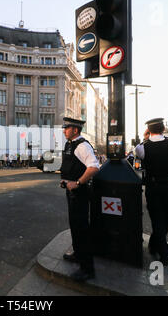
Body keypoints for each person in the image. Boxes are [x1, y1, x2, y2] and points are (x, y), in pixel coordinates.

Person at [135, 118, 168, 266]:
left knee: (157, 219)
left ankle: (154, 243)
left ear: (148, 131)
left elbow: (139, 155)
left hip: (154, 188)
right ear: (164, 128)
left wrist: (146, 138)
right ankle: (165, 253)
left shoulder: (141, 147)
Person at [60, 117, 100, 282]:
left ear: (75, 130)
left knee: (81, 229)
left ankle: (87, 269)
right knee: (75, 226)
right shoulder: (71, 144)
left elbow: (94, 167)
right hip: (73, 193)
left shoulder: (82, 145)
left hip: (80, 193)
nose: (64, 130)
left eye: (66, 128)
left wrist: (77, 183)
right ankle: (78, 254)